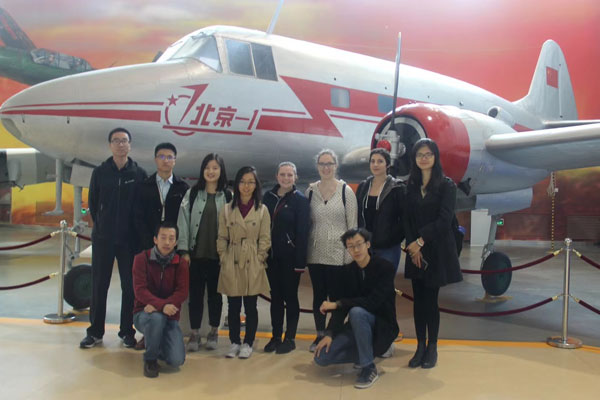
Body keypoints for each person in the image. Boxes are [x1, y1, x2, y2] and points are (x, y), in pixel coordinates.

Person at [80, 127, 147, 349]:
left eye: (124, 141)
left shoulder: (138, 174)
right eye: (116, 141)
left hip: (129, 241)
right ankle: (95, 332)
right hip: (104, 239)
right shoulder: (100, 173)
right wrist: (103, 226)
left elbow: (141, 207)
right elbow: (93, 203)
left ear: (130, 145)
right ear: (110, 145)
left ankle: (127, 331)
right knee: (100, 285)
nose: (120, 144)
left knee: (129, 287)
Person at [314, 228, 399, 389]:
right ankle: (365, 352)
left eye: (359, 244)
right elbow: (341, 310)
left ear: (368, 244)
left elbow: (373, 302)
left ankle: (368, 367)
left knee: (357, 312)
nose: (356, 250)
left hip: (382, 325)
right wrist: (330, 334)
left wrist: (338, 303)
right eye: (351, 246)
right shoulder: (347, 272)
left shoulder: (385, 268)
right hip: (357, 328)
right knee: (321, 358)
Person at [403, 138, 462, 369]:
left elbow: (445, 219)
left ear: (435, 157)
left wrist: (420, 241)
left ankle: (433, 347)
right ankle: (419, 347)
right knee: (418, 302)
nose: (424, 158)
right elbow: (406, 220)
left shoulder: (446, 185)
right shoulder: (409, 186)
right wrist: (411, 246)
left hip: (436, 249)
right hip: (414, 251)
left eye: (428, 154)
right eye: (419, 155)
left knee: (431, 301)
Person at [177, 153, 231, 351]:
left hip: (218, 257)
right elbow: (182, 222)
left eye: (215, 168)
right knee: (195, 296)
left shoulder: (227, 196)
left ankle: (214, 331)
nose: (211, 171)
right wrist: (183, 251)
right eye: (207, 167)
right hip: (195, 256)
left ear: (221, 171)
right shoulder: (192, 194)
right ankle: (194, 333)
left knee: (216, 297)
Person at [306, 149, 357, 352]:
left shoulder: (346, 192)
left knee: (336, 299)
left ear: (336, 166)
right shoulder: (310, 192)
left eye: (329, 164)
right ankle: (319, 334)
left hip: (338, 255)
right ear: (317, 166)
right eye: (322, 164)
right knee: (318, 296)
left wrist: (349, 255)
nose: (326, 168)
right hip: (316, 253)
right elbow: (307, 223)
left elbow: (352, 226)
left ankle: (331, 333)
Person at [217, 166, 271, 359]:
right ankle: (234, 342)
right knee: (232, 305)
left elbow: (265, 239)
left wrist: (259, 258)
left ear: (256, 185)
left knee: (250, 306)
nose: (246, 186)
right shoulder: (226, 209)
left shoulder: (262, 210)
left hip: (252, 260)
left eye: (251, 182)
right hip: (232, 258)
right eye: (243, 181)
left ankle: (248, 342)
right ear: (236, 184)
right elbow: (222, 237)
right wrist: (224, 257)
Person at [262, 162, 310, 354]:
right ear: (277, 176)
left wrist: (300, 262)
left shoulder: (300, 200)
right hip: (272, 258)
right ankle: (275, 336)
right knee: (275, 298)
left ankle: (289, 337)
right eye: (283, 174)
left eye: (290, 175)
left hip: (290, 259)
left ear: (295, 177)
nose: (286, 178)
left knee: (290, 298)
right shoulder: (268, 197)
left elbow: (303, 232)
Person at [132, 221, 189, 378]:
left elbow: (182, 292)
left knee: (176, 360)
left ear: (176, 242)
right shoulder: (141, 259)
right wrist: (162, 306)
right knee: (156, 319)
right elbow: (140, 291)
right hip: (144, 313)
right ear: (155, 239)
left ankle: (153, 340)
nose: (167, 242)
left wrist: (159, 307)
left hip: (170, 317)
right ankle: (150, 360)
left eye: (171, 238)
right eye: (163, 237)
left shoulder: (181, 264)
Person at [356, 148, 405, 272]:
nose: (375, 164)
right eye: (372, 161)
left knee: (384, 286)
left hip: (388, 248)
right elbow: (357, 214)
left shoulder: (397, 188)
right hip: (365, 247)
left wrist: (393, 238)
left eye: (380, 161)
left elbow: (405, 218)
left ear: (387, 164)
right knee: (366, 286)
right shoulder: (363, 186)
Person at [135, 142, 189, 252]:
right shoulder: (143, 186)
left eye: (170, 157)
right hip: (147, 244)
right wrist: (148, 242)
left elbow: (185, 219)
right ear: (155, 159)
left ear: (174, 161)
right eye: (162, 156)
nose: (165, 160)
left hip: (173, 245)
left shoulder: (183, 188)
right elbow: (137, 217)